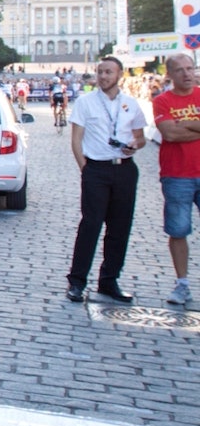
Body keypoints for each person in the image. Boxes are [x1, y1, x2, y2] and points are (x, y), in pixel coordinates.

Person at [65, 56, 147, 303]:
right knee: (90, 225)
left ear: (119, 75)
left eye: (109, 72)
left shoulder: (131, 104)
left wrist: (135, 145)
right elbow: (76, 139)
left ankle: (109, 280)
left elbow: (141, 137)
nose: (103, 76)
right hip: (96, 169)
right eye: (100, 72)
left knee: (120, 227)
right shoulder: (86, 103)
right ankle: (77, 281)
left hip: (124, 169)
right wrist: (85, 169)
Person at [152, 54, 200, 305]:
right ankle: (182, 284)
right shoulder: (162, 100)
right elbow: (169, 133)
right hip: (176, 174)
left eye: (190, 68)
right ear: (170, 74)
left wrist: (186, 122)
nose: (187, 74)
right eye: (180, 70)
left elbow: (177, 129)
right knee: (178, 230)